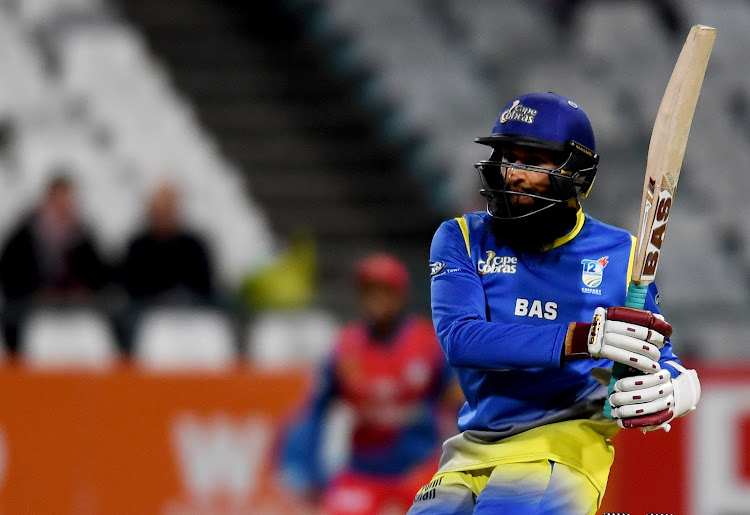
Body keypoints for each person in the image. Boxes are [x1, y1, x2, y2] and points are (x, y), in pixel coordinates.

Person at [407, 92, 701, 514]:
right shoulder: (462, 238)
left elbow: (658, 357)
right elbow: (462, 339)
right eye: (508, 157)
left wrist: (679, 388)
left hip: (563, 444)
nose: (515, 175)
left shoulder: (620, 255)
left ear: (575, 174)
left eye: (534, 162)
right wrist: (580, 339)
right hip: (471, 447)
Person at [277, 253, 461, 515]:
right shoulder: (345, 349)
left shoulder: (428, 344)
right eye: (368, 290)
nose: (375, 299)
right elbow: (314, 412)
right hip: (363, 472)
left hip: (420, 470)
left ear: (400, 295)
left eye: (384, 290)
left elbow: (460, 403)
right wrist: (308, 471)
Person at [0, 173, 111, 353]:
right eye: (61, 196)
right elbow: (10, 270)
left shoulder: (82, 232)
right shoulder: (25, 231)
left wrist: (84, 290)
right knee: (11, 318)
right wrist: (35, 291)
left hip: (75, 300)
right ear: (49, 197)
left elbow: (98, 272)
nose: (65, 202)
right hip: (33, 300)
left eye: (68, 196)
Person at [121, 180, 213, 304]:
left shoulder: (194, 246)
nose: (164, 215)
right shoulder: (138, 247)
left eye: (169, 208)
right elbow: (129, 287)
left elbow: (205, 287)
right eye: (160, 209)